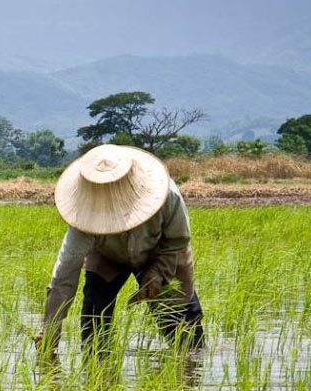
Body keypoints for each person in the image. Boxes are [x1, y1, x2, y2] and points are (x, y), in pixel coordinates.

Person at [34, 144, 204, 361]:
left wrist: (157, 273)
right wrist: (49, 331)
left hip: (160, 253)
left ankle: (189, 371)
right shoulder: (83, 217)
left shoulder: (166, 196)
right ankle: (98, 378)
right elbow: (64, 277)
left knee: (185, 330)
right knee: (94, 325)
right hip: (106, 257)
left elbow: (177, 240)